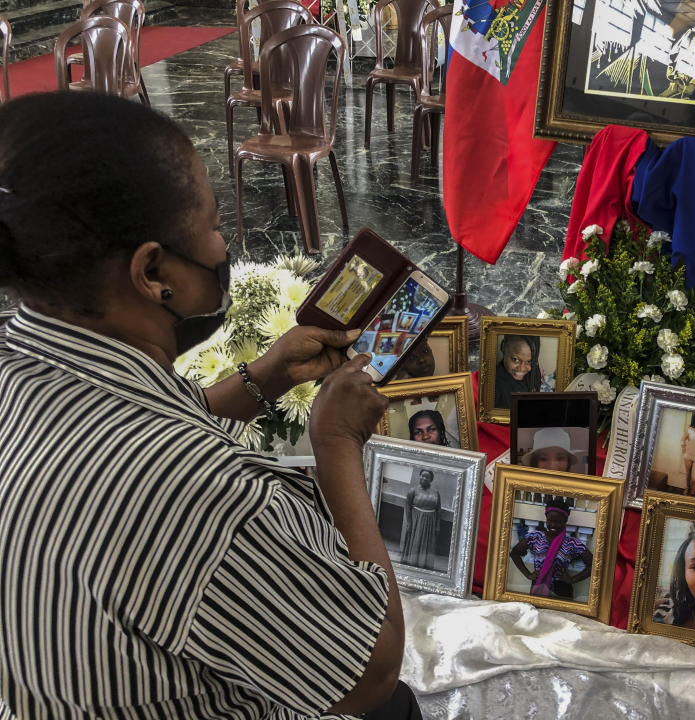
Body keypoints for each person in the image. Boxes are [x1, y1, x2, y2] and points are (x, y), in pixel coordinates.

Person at [0, 93, 413, 718]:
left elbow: (131, 417)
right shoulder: (200, 492)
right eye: (216, 224)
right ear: (151, 271)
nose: (224, 249)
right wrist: (337, 444)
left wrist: (264, 377)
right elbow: (371, 671)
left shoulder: (17, 361)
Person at [509, 498, 593, 599]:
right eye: (550, 521)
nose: (553, 525)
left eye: (558, 522)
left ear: (565, 521)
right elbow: (514, 553)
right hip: (538, 587)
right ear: (546, 519)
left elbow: (592, 565)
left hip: (562, 590)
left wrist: (572, 580)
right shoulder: (535, 537)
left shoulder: (572, 543)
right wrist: (528, 574)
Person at [400, 469, 443, 570]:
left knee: (426, 543)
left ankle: (423, 565)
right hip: (416, 521)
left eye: (427, 477)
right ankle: (411, 563)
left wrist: (437, 526)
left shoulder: (436, 492)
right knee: (415, 540)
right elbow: (408, 507)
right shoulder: (413, 490)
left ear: (431, 480)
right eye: (422, 476)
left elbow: (438, 510)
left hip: (430, 523)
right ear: (419, 476)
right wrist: (409, 523)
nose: (424, 478)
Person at [494, 334, 542, 408]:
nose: (522, 368)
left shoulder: (534, 368)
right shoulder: (496, 388)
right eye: (515, 359)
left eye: (529, 361)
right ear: (503, 347)